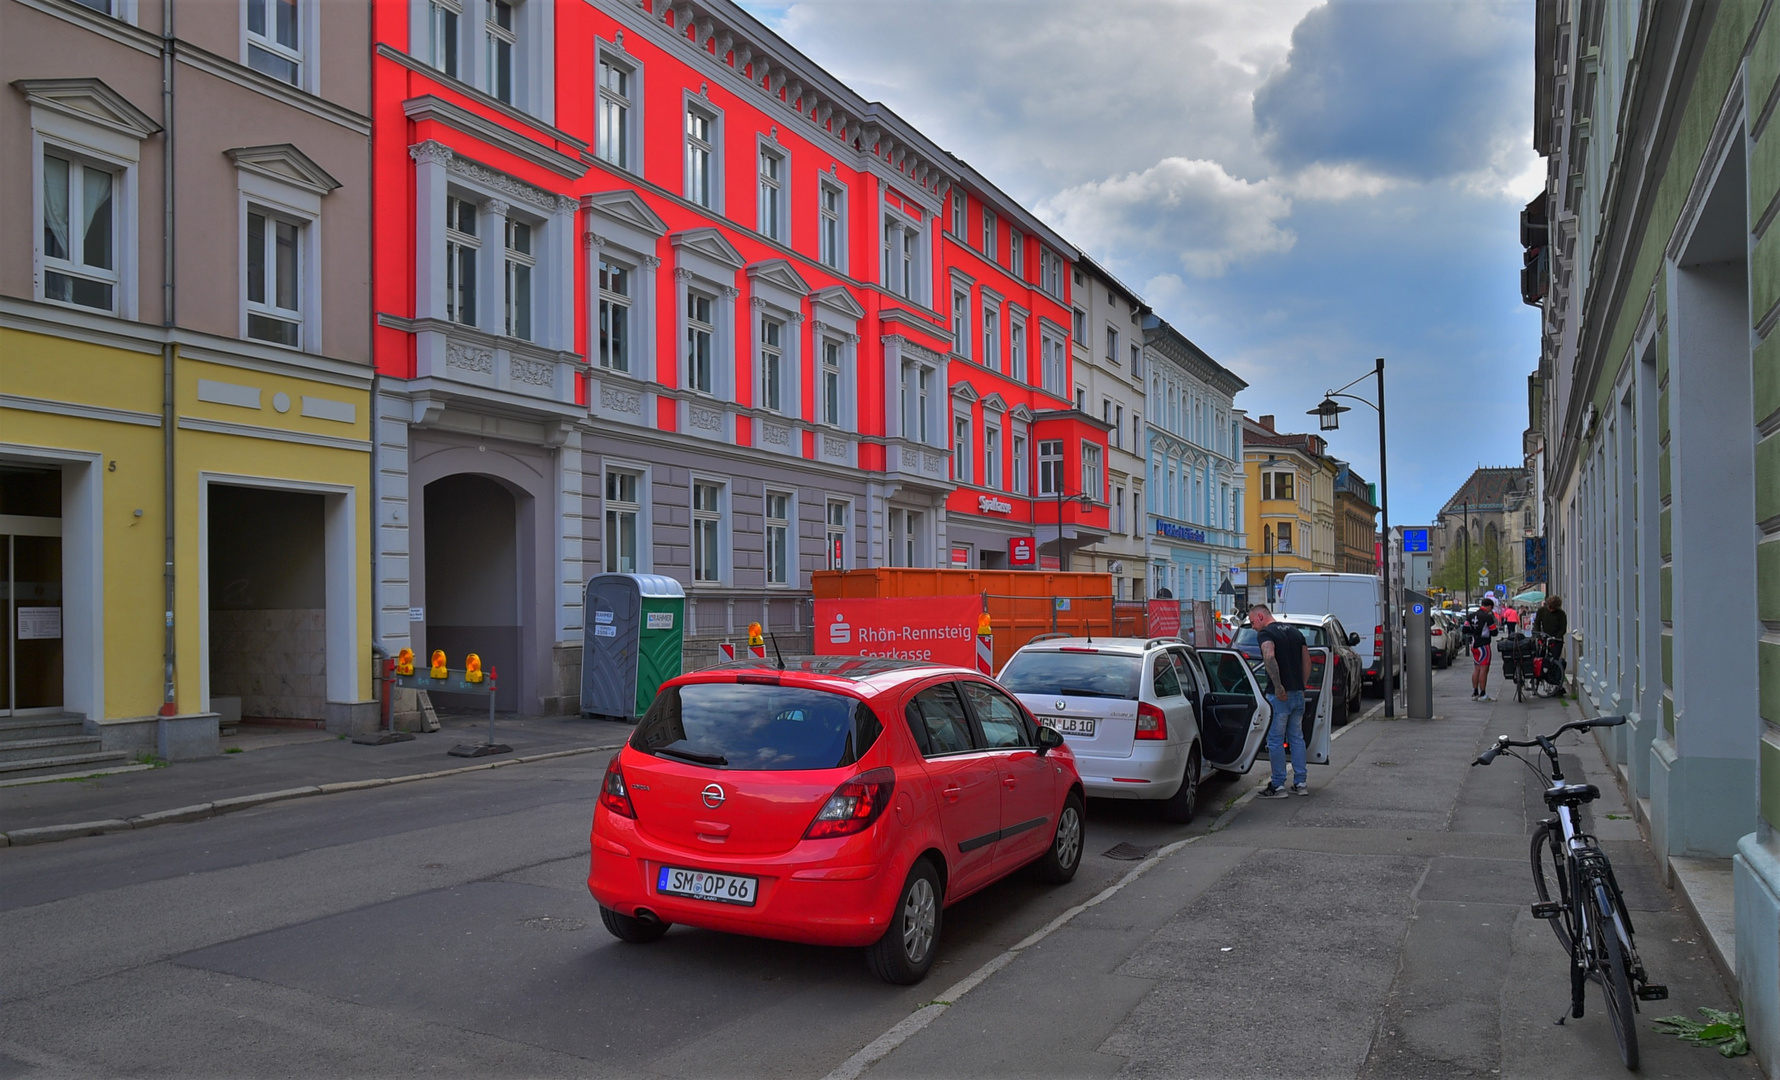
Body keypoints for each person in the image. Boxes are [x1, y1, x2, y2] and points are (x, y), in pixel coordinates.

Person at [1249, 604, 1312, 797]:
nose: (1253, 627)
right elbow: (1307, 661)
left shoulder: (1266, 634)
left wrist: (1278, 686)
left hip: (1279, 696)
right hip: (1297, 694)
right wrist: (1301, 686)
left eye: (1252, 622)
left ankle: (1277, 785)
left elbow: (1269, 656)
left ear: (1260, 616)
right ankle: (1301, 783)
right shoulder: (1295, 632)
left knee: (1275, 739)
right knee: (1296, 738)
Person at [1463, 597, 1499, 700]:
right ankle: (1483, 694)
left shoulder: (1471, 616)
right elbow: (1494, 632)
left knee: (1476, 668)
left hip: (1474, 644)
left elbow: (1465, 630)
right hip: (1484, 645)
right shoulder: (1487, 617)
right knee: (1484, 669)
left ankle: (1475, 692)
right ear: (1489, 607)